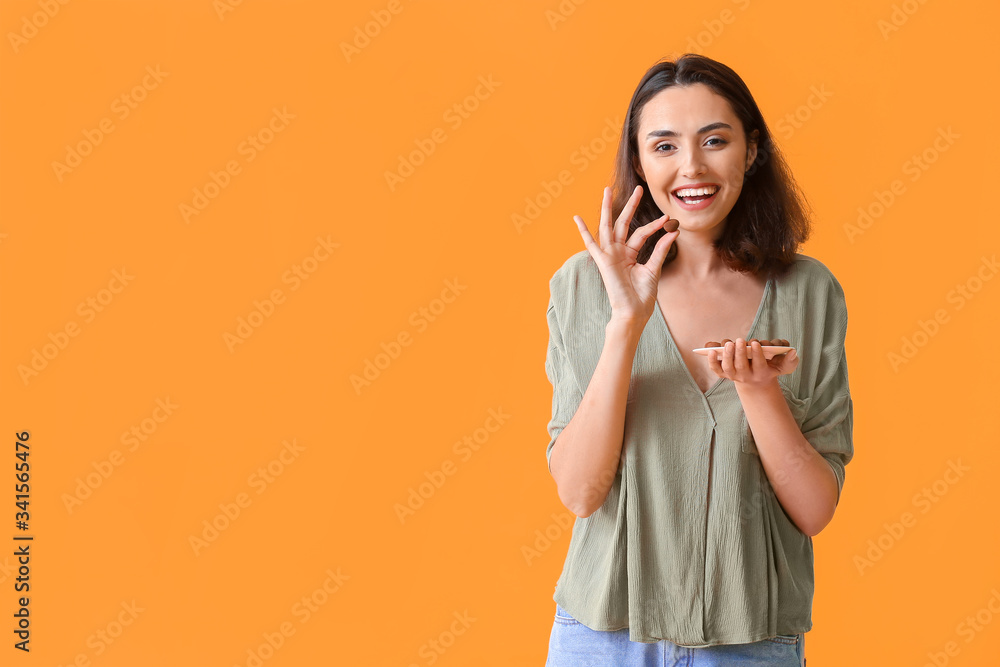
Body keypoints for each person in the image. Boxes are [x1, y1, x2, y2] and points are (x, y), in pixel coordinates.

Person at [543, 53, 854, 666]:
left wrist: (760, 391)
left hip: (751, 641)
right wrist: (625, 324)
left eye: (715, 140)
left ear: (752, 150)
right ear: (638, 160)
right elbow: (580, 491)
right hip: (602, 640)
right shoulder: (584, 286)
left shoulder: (809, 292)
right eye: (664, 146)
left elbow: (815, 511)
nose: (691, 167)